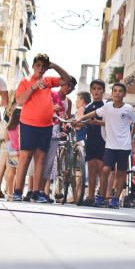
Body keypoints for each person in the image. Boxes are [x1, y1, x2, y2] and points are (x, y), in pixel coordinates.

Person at [13, 53, 73, 202]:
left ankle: (37, 192)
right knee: (25, 157)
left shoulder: (48, 81)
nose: (40, 69)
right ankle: (18, 191)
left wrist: (54, 66)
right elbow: (20, 101)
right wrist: (33, 87)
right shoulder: (25, 81)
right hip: (28, 124)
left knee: (41, 158)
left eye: (43, 66)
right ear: (33, 66)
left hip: (46, 125)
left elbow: (68, 80)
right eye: (38, 65)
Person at [75, 82, 135, 209]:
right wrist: (79, 119)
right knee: (105, 170)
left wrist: (130, 136)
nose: (117, 93)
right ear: (112, 92)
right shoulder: (108, 106)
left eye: (120, 91)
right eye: (115, 91)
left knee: (121, 172)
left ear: (124, 94)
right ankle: (101, 196)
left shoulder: (128, 108)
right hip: (110, 146)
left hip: (124, 146)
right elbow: (93, 114)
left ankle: (115, 199)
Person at [82, 79, 106, 205]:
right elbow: (83, 122)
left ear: (103, 91)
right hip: (90, 139)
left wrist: (97, 122)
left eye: (99, 89)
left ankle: (101, 197)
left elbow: (110, 123)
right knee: (91, 169)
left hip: (103, 140)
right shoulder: (88, 108)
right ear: (91, 91)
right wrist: (77, 123)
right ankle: (90, 196)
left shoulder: (106, 106)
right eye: (94, 88)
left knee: (101, 169)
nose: (96, 91)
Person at [5, 108, 21, 199]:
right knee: (19, 172)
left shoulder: (9, 127)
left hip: (11, 150)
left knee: (11, 172)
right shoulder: (20, 126)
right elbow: (20, 139)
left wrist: (9, 151)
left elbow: (6, 139)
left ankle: (9, 193)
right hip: (19, 150)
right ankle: (16, 193)